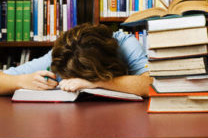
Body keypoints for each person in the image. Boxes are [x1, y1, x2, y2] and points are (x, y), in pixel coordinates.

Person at [0, 23, 152, 96]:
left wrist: (96, 83)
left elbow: (152, 84)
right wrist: (20, 81)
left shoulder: (124, 44)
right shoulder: (63, 54)